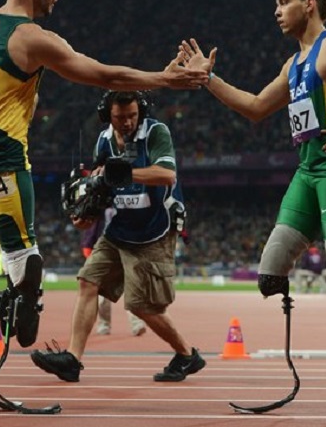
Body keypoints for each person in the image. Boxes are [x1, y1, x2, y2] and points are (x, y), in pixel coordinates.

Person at [0, 0, 206, 349]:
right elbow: (103, 74)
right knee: (28, 260)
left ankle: (16, 294)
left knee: (16, 252)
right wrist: (163, 79)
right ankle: (21, 307)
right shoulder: (31, 38)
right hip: (3, 164)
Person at [179, 0, 326, 311]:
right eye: (277, 4)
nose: (277, 11)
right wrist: (208, 78)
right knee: (269, 275)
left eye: (284, 3)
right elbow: (255, 108)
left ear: (309, 5)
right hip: (308, 169)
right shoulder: (293, 65)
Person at [30, 90, 205, 382]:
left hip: (155, 229)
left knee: (140, 306)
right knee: (87, 282)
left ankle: (187, 355)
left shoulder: (156, 132)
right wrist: (88, 213)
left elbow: (167, 175)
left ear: (141, 112)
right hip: (121, 226)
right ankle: (72, 360)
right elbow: (103, 183)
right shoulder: (104, 140)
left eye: (132, 116)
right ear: (106, 116)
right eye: (119, 117)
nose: (126, 122)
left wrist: (121, 173)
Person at [83, 206, 146, 336]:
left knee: (132, 291)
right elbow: (89, 237)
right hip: (105, 254)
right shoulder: (100, 211)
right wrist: (92, 258)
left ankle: (137, 324)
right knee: (102, 296)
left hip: (127, 251)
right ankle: (104, 325)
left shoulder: (128, 208)